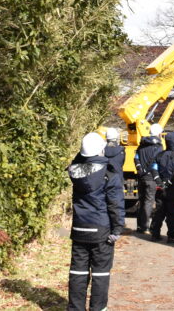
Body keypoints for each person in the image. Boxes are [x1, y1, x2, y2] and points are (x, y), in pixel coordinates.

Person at [67, 132, 124, 311]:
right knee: (100, 273)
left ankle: (75, 308)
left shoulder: (74, 170)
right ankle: (98, 308)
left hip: (79, 229)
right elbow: (115, 205)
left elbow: (78, 160)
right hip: (101, 230)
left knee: (77, 272)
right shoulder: (109, 175)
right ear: (101, 150)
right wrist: (117, 229)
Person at [151, 132, 174, 243]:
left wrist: (159, 182)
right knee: (172, 213)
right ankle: (171, 236)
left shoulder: (160, 155)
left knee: (159, 212)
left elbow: (153, 168)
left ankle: (155, 234)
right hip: (173, 189)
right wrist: (169, 183)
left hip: (160, 189)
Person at [134, 123, 164, 234]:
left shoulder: (142, 144)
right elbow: (158, 162)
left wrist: (140, 170)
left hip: (141, 177)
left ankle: (139, 226)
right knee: (148, 201)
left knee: (141, 201)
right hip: (151, 177)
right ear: (159, 134)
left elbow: (136, 158)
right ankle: (145, 227)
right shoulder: (159, 147)